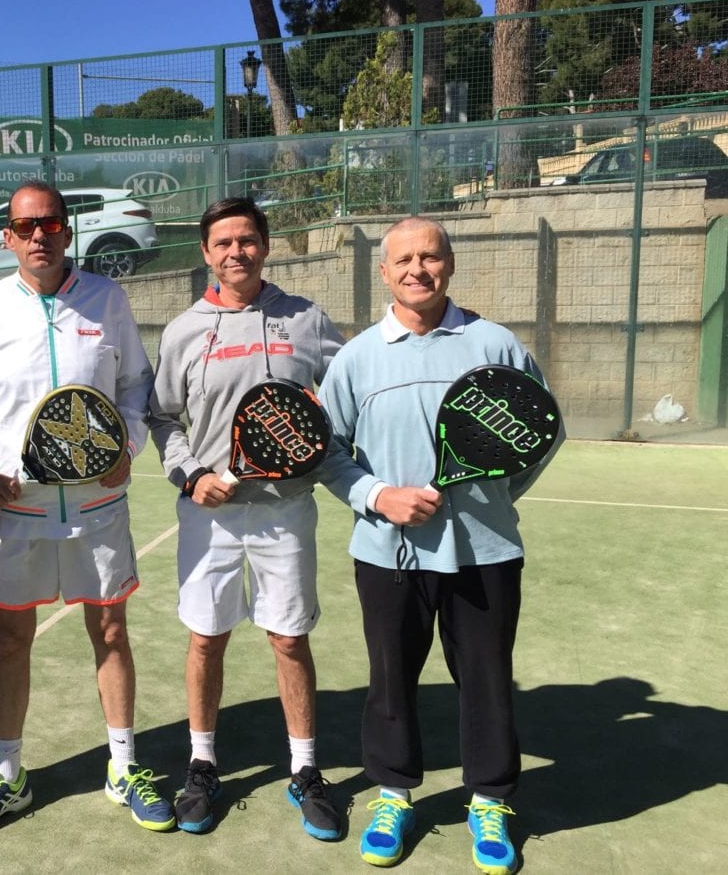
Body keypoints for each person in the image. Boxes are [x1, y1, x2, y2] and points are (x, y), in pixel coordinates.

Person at [316, 216, 563, 874]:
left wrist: (497, 498)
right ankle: (393, 795)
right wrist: (376, 496)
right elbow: (328, 451)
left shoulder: (494, 343)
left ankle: (489, 800)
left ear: (449, 265)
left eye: (430, 257)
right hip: (386, 555)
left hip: (485, 552)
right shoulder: (358, 355)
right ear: (385, 271)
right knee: (390, 680)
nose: (417, 269)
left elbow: (542, 428)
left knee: (485, 681)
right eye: (404, 259)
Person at [0, 180, 173, 840]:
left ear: (67, 231)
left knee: (111, 633)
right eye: (26, 225)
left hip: (100, 506)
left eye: (51, 223)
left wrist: (128, 445)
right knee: (11, 641)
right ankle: (9, 775)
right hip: (17, 512)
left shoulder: (108, 297)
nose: (39, 234)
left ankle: (123, 767)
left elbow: (135, 385)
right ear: (7, 237)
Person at [148, 196, 346, 839]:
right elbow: (160, 418)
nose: (237, 251)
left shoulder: (307, 320)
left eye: (248, 239)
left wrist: (321, 418)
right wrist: (191, 474)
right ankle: (202, 763)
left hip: (286, 510)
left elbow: (343, 396)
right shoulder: (183, 330)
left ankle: (306, 770)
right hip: (210, 517)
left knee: (289, 639)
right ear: (206, 254)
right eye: (223, 243)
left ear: (266, 244)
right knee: (207, 638)